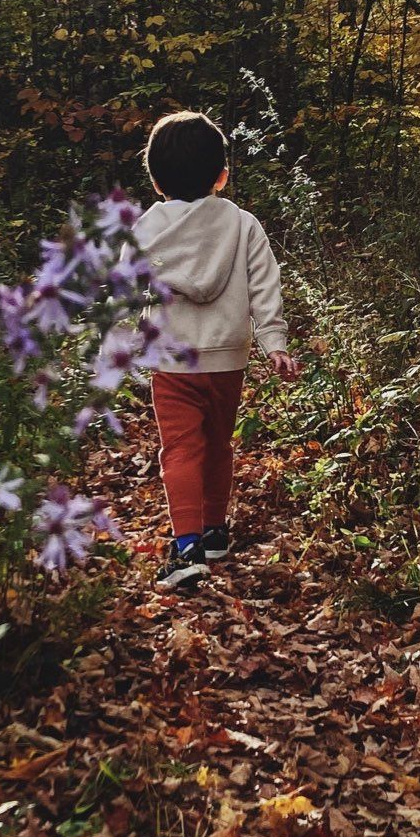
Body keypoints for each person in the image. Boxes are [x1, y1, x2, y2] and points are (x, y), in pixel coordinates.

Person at [134, 110, 300, 587]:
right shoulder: (243, 223)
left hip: (171, 359)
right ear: (222, 176)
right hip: (227, 357)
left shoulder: (146, 228)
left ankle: (187, 548)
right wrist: (274, 341)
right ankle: (215, 530)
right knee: (216, 444)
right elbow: (266, 284)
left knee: (181, 450)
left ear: (158, 182)